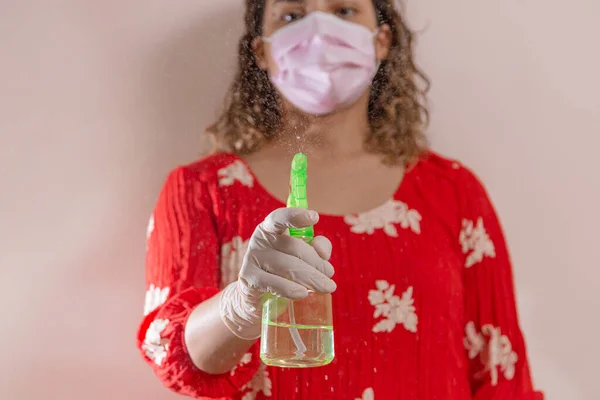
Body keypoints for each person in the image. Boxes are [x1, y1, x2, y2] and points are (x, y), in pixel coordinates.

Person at [136, 0, 544, 399]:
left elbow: (501, 371)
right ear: (262, 50)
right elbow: (169, 350)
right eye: (292, 15)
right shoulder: (204, 190)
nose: (318, 31)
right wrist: (239, 306)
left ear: (380, 41)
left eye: (344, 10)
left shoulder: (453, 192)